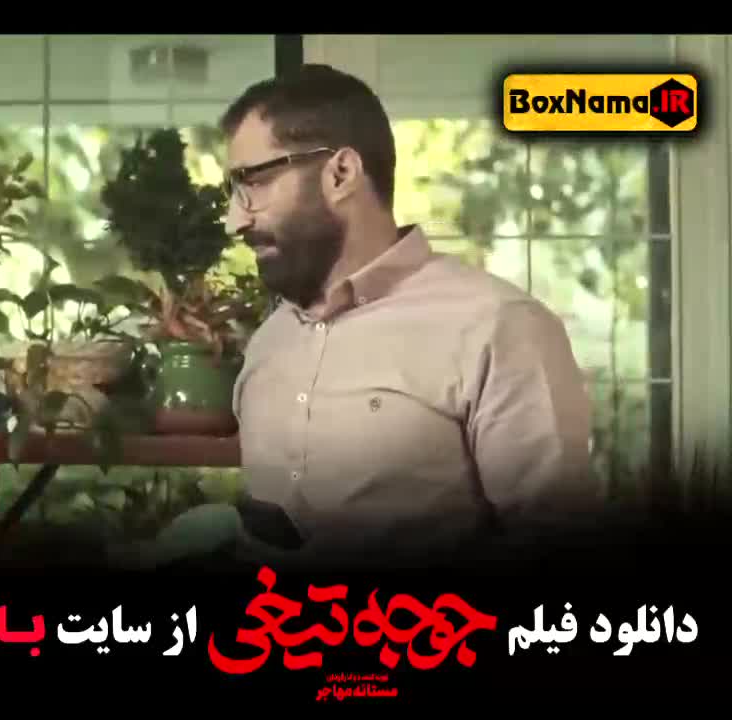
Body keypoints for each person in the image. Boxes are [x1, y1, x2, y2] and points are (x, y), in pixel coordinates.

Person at [219, 64, 602, 568]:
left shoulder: (498, 327)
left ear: (341, 173)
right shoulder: (268, 344)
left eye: (254, 182)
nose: (235, 219)